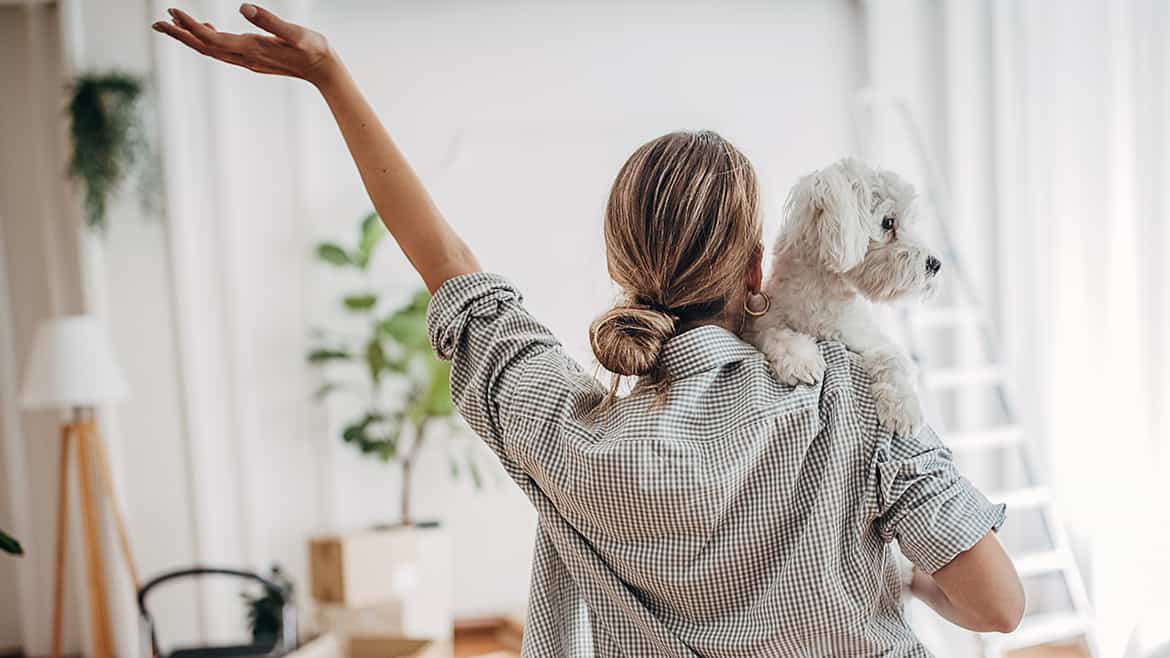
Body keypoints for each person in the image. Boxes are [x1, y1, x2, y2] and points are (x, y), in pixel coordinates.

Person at [154, 6, 1025, 656]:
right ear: (755, 268)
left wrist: (330, 78)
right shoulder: (856, 389)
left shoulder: (565, 437)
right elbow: (996, 606)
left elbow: (449, 263)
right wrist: (904, 579)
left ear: (624, 273)